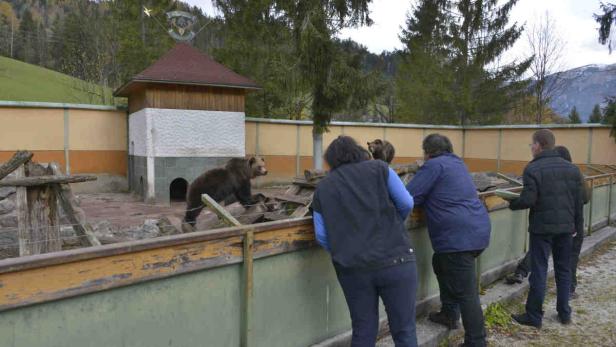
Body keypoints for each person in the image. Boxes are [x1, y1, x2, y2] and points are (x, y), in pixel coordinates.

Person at [312, 136, 418, 347]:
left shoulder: (323, 188)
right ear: (358, 151)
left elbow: (322, 235)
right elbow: (406, 202)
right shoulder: (379, 169)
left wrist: (346, 248)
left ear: (331, 160)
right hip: (396, 260)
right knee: (404, 329)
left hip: (353, 269)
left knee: (363, 330)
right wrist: (393, 226)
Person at [406, 134, 490, 347]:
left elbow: (409, 196)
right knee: (440, 263)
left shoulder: (433, 166)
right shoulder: (457, 164)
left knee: (467, 292)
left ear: (428, 153)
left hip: (458, 238)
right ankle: (449, 313)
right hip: (477, 231)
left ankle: (477, 341)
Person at [506, 130, 584, 328]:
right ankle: (564, 313)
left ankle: (534, 316)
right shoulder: (572, 169)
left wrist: (512, 202)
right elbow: (578, 202)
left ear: (539, 145)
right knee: (564, 270)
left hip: (542, 228)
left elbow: (529, 199)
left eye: (531, 144)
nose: (531, 148)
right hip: (567, 228)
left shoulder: (532, 169)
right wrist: (575, 225)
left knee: (539, 270)